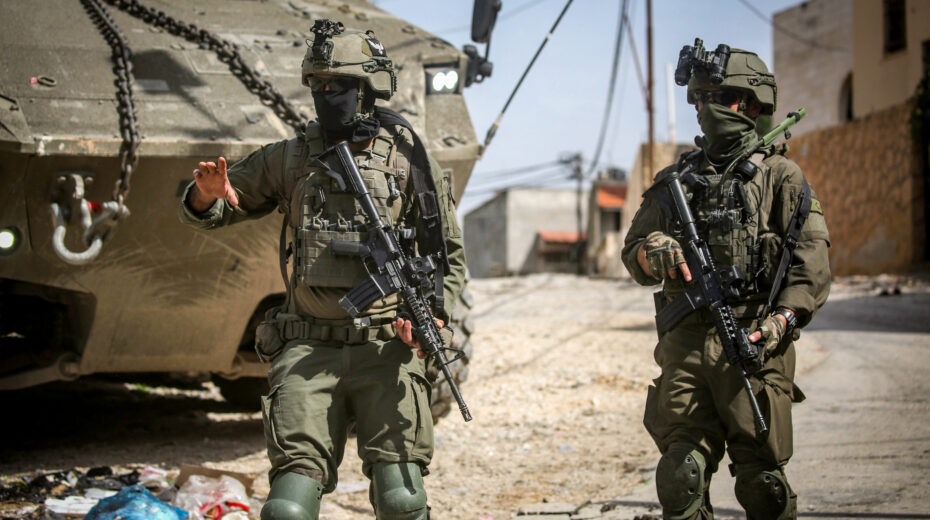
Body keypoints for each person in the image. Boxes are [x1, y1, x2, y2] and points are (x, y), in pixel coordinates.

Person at [178, 19, 466, 520]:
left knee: (402, 498)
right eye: (319, 86)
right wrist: (205, 196)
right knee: (288, 507)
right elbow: (225, 202)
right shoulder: (290, 158)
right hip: (308, 346)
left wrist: (432, 318)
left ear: (368, 89)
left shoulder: (408, 163)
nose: (327, 95)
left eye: (339, 86)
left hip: (385, 349)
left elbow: (448, 257)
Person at [621, 41, 831, 520]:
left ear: (752, 105)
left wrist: (780, 321)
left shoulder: (782, 178)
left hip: (753, 341)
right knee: (680, 477)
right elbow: (631, 255)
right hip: (686, 344)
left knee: (763, 487)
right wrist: (655, 252)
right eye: (698, 99)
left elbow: (811, 263)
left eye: (718, 97)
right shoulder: (675, 181)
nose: (705, 109)